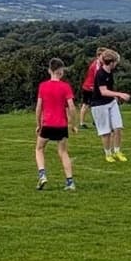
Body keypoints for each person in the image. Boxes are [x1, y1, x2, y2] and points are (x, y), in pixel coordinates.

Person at [34, 57, 78, 191]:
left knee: (39, 148)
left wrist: (38, 124)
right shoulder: (65, 87)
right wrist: (73, 124)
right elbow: (71, 107)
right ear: (61, 71)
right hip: (61, 125)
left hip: (47, 124)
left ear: (49, 70)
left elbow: (39, 107)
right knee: (63, 152)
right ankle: (70, 182)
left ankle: (42, 174)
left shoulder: (43, 86)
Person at [91, 49, 131, 162]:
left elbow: (109, 90)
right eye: (116, 62)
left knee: (118, 128)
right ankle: (108, 154)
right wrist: (120, 94)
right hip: (99, 105)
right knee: (106, 132)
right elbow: (103, 91)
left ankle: (117, 151)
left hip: (111, 102)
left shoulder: (110, 72)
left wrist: (115, 98)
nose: (117, 64)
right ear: (111, 62)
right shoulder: (100, 74)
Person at [77, 48, 104, 129]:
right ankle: (82, 123)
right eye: (103, 56)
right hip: (89, 87)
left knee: (96, 104)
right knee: (86, 105)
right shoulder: (97, 65)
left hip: (92, 87)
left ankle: (95, 121)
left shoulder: (99, 63)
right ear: (98, 56)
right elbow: (97, 77)